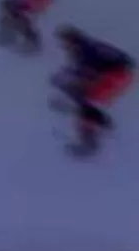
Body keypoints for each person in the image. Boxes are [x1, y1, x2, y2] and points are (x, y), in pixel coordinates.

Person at [53, 26, 133, 159]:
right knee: (82, 96)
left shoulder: (83, 50)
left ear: (71, 40)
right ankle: (102, 123)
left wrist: (64, 80)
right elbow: (82, 70)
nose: (62, 45)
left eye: (64, 41)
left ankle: (90, 141)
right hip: (119, 74)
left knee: (82, 96)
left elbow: (86, 72)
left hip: (117, 75)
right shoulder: (86, 46)